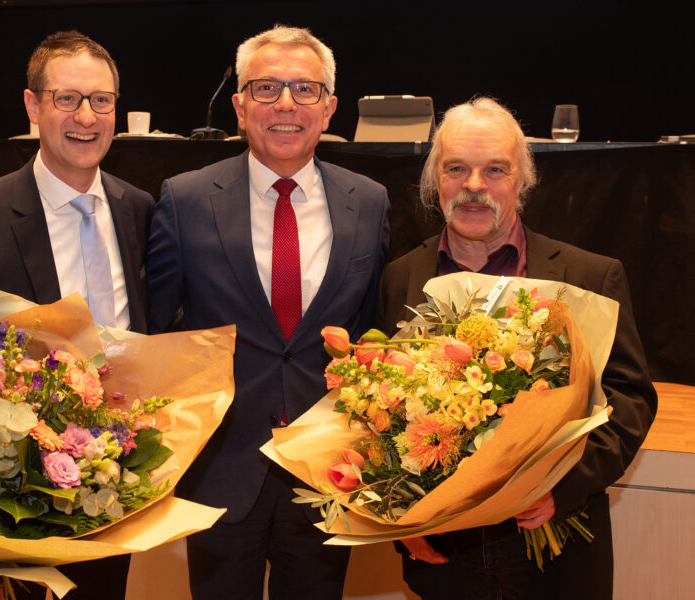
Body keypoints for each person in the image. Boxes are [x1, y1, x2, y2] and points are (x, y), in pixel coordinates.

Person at [374, 96, 657, 600]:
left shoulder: (591, 277)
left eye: (495, 170)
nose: (474, 186)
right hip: (443, 554)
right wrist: (399, 520)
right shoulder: (401, 277)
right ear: (433, 181)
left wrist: (563, 488)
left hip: (555, 548)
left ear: (523, 181)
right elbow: (375, 409)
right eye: (456, 168)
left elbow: (630, 402)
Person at [146, 25, 391, 600]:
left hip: (328, 471)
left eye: (305, 89)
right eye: (266, 88)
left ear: (329, 108)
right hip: (219, 470)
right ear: (238, 106)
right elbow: (157, 334)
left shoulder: (370, 202)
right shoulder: (183, 200)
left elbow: (373, 332)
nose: (286, 104)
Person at [0, 30, 154, 599]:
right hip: (10, 498)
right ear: (32, 106)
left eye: (101, 100)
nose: (87, 116)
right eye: (67, 98)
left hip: (114, 487)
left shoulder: (141, 212)